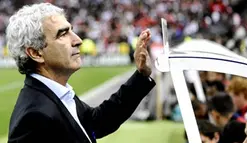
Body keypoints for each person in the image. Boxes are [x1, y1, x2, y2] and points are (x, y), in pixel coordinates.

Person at [6, 3, 155, 143]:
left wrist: (141, 75)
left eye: (71, 30)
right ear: (35, 53)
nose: (78, 40)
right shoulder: (33, 118)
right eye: (62, 34)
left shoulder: (56, 93)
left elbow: (96, 123)